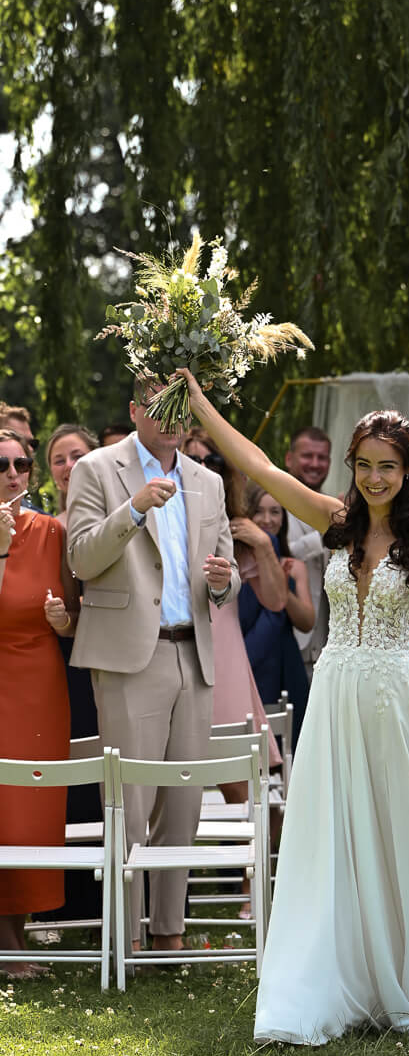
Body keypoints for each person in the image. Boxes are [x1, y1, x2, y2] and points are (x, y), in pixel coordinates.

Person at [175, 368, 409, 1039]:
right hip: (336, 693)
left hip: (394, 692)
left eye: (389, 467)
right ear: (352, 466)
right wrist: (199, 403)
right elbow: (259, 465)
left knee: (406, 826)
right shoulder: (335, 520)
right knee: (334, 831)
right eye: (366, 466)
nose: (376, 478)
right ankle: (337, 973)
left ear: (407, 471)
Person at [65, 379, 239, 955]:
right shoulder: (95, 469)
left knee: (183, 805)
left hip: (195, 652)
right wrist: (134, 508)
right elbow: (82, 559)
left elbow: (227, 574)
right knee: (130, 803)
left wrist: (225, 582)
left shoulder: (209, 481)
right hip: (128, 656)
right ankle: (125, 938)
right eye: (157, 408)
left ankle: (169, 935)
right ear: (134, 410)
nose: (170, 420)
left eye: (179, 409)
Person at [182, 429, 283, 916]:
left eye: (213, 462)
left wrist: (262, 545)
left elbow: (277, 602)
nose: (203, 468)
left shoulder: (238, 530)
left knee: (246, 786)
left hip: (225, 660)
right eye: (192, 459)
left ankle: (255, 889)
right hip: (174, 654)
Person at [0, 431, 78, 976]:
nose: (13, 474)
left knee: (31, 808)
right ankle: (5, 944)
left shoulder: (52, 531)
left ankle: (19, 935)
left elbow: (75, 613)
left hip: (40, 685)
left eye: (22, 464)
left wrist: (63, 621)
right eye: (1, 465)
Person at [35, 424, 102, 933]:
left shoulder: (106, 519)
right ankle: (61, 900)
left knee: (99, 772)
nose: (68, 466)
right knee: (64, 773)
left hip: (99, 657)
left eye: (77, 455)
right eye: (58, 459)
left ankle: (106, 900)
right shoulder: (43, 529)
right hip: (53, 660)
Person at [238, 484, 313, 748]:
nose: (267, 519)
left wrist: (281, 586)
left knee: (291, 742)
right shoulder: (236, 563)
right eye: (259, 511)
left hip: (285, 663)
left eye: (275, 512)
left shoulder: (295, 566)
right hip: (249, 658)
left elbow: (307, 622)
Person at [284, 426, 332, 681]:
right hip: (288, 638)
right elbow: (277, 559)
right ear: (289, 459)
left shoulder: (334, 508)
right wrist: (325, 536)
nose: (315, 464)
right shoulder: (272, 505)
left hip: (329, 645)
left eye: (321, 457)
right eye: (307, 456)